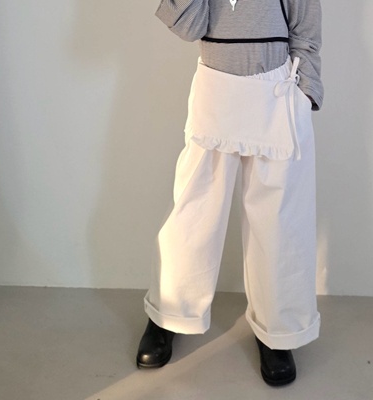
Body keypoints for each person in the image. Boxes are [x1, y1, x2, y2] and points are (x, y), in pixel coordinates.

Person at [137, 0, 323, 387]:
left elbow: (305, 25)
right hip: (215, 89)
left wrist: (306, 92)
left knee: (279, 222)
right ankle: (169, 312)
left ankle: (277, 331)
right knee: (193, 213)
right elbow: (187, 26)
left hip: (276, 91)